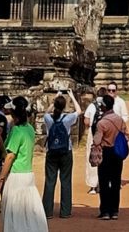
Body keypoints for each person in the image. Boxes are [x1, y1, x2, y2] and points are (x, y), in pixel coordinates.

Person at [0, 96, 45, 232]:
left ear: (13, 113)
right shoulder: (29, 129)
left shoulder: (17, 131)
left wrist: (0, 179)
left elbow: (10, 157)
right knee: (28, 212)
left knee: (14, 212)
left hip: (16, 176)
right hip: (28, 175)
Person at [42, 91, 80, 219]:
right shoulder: (67, 119)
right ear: (64, 106)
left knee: (50, 181)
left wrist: (54, 100)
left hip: (51, 151)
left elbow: (46, 113)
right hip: (65, 151)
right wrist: (72, 97)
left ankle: (47, 211)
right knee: (66, 181)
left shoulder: (48, 119)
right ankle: (65, 212)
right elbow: (79, 111)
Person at [90, 94, 128, 220]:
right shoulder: (120, 120)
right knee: (116, 181)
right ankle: (115, 211)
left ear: (104, 107)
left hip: (105, 152)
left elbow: (96, 141)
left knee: (104, 182)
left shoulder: (102, 123)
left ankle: (105, 211)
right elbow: (126, 136)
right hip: (117, 153)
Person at [81, 89, 100, 195]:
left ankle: (93, 186)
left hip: (93, 134)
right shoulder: (109, 105)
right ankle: (103, 183)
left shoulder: (92, 106)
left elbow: (87, 122)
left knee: (91, 158)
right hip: (105, 136)